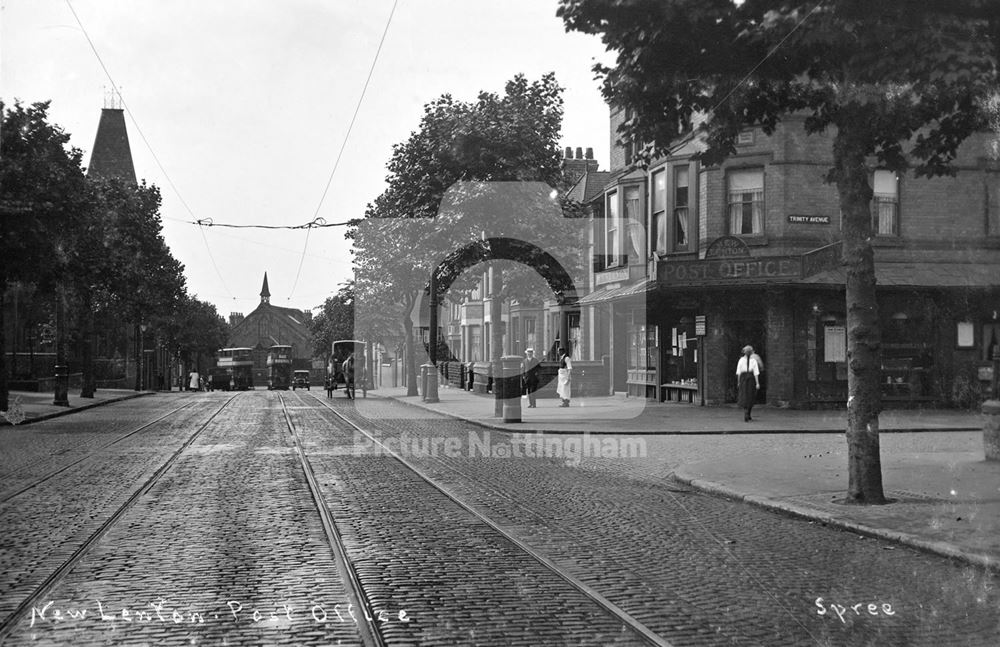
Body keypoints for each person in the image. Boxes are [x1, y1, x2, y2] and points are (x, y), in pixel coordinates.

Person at [736, 345, 761, 422]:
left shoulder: (742, 360)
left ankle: (746, 412)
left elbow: (738, 372)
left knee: (745, 395)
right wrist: (757, 383)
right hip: (749, 378)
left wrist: (739, 382)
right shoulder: (752, 361)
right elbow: (756, 373)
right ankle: (747, 412)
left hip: (745, 378)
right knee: (749, 395)